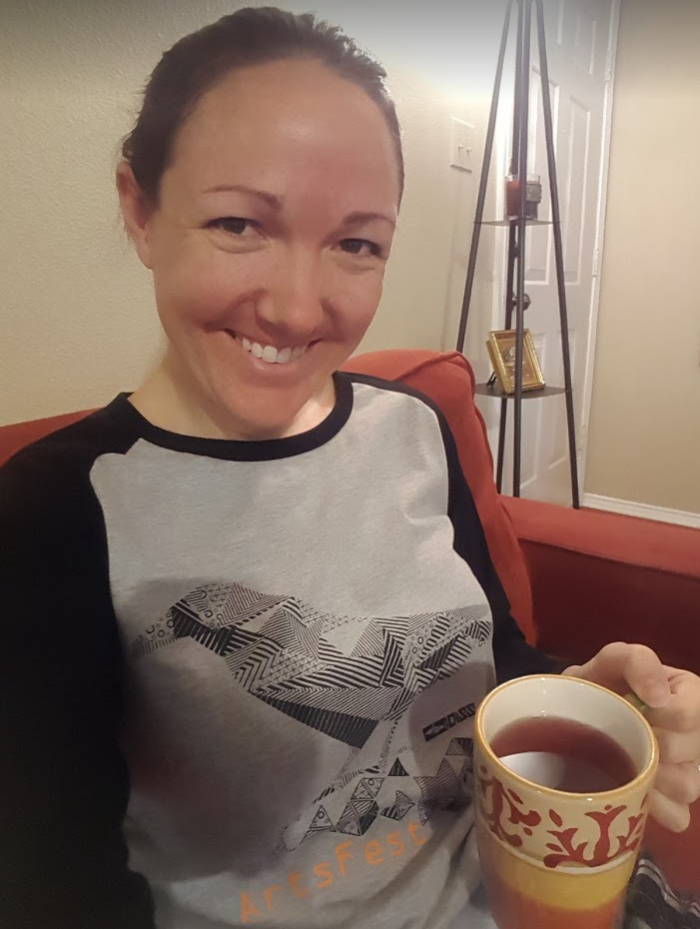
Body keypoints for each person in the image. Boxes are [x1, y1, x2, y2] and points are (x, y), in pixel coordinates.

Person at [2, 8, 699, 929]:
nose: (299, 309)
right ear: (140, 209)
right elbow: (61, 889)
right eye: (240, 223)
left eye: (357, 242)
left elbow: (490, 664)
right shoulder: (54, 513)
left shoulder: (413, 426)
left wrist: (579, 692)